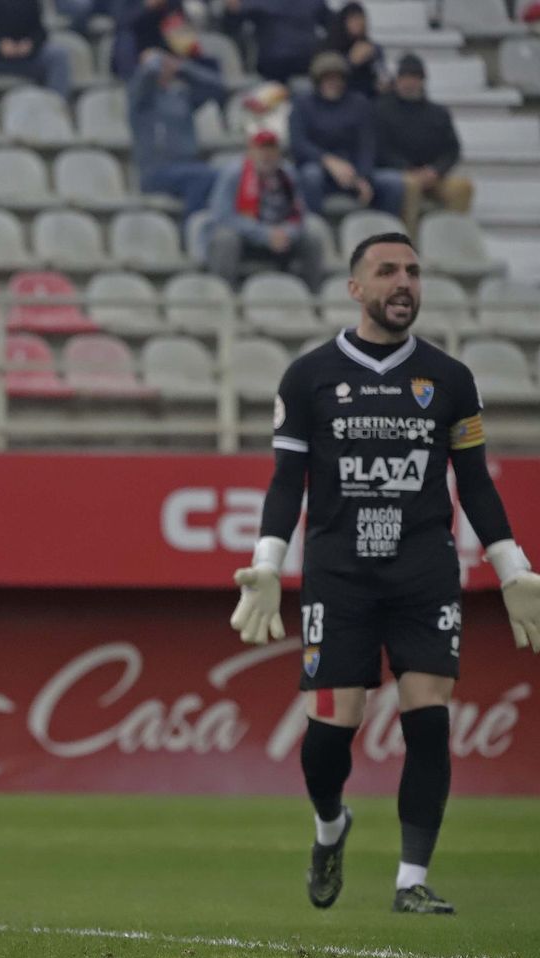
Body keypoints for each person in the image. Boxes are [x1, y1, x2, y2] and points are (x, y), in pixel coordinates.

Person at [230, 232, 540, 916]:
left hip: (424, 573)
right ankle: (330, 825)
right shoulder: (308, 377)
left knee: (428, 722)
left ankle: (411, 880)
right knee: (329, 740)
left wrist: (511, 565)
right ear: (355, 288)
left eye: (414, 272)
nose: (404, 282)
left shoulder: (450, 380)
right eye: (388, 271)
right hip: (339, 575)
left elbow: (477, 487)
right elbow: (287, 483)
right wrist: (265, 564)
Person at [206, 129, 324, 289]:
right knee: (225, 238)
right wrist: (264, 234)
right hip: (246, 238)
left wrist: (287, 232)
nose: (266, 155)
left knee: (312, 237)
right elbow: (223, 216)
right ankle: (223, 294)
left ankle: (312, 295)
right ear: (250, 152)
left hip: (280, 237)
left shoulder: (287, 174)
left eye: (271, 149)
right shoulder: (233, 174)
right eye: (261, 149)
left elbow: (298, 213)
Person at [289, 51, 403, 216]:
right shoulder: (302, 105)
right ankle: (316, 230)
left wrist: (363, 176)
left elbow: (367, 144)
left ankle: (388, 234)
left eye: (337, 78)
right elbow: (298, 143)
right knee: (310, 176)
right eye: (327, 78)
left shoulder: (359, 103)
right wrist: (328, 161)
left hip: (354, 171)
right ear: (318, 80)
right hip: (320, 170)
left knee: (393, 182)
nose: (333, 83)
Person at [375, 54, 474, 235]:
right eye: (404, 77)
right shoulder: (382, 110)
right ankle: (409, 243)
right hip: (401, 173)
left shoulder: (438, 113)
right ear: (397, 80)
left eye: (414, 78)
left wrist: (436, 170)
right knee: (410, 186)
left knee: (462, 188)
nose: (409, 83)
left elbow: (452, 149)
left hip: (433, 174)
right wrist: (408, 170)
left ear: (422, 81)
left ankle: (452, 240)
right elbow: (380, 149)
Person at [129, 46, 227, 217]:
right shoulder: (140, 100)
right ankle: (190, 228)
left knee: (221, 177)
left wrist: (183, 67)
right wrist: (153, 61)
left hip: (188, 165)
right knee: (201, 177)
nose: (162, 67)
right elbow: (146, 78)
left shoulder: (181, 96)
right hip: (157, 171)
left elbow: (216, 87)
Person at [0, 0, 74, 100]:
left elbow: (40, 31)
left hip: (24, 59)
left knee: (58, 54)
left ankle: (57, 108)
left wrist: (30, 44)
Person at [220, 0, 329, 83]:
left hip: (307, 65)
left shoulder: (314, 2)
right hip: (271, 67)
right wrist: (231, 11)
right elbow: (231, 27)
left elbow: (332, 25)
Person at [325, 2, 386, 98]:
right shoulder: (331, 47)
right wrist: (350, 62)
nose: (359, 22)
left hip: (369, 97)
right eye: (353, 18)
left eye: (361, 18)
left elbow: (381, 73)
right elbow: (327, 76)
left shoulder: (373, 47)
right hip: (342, 98)